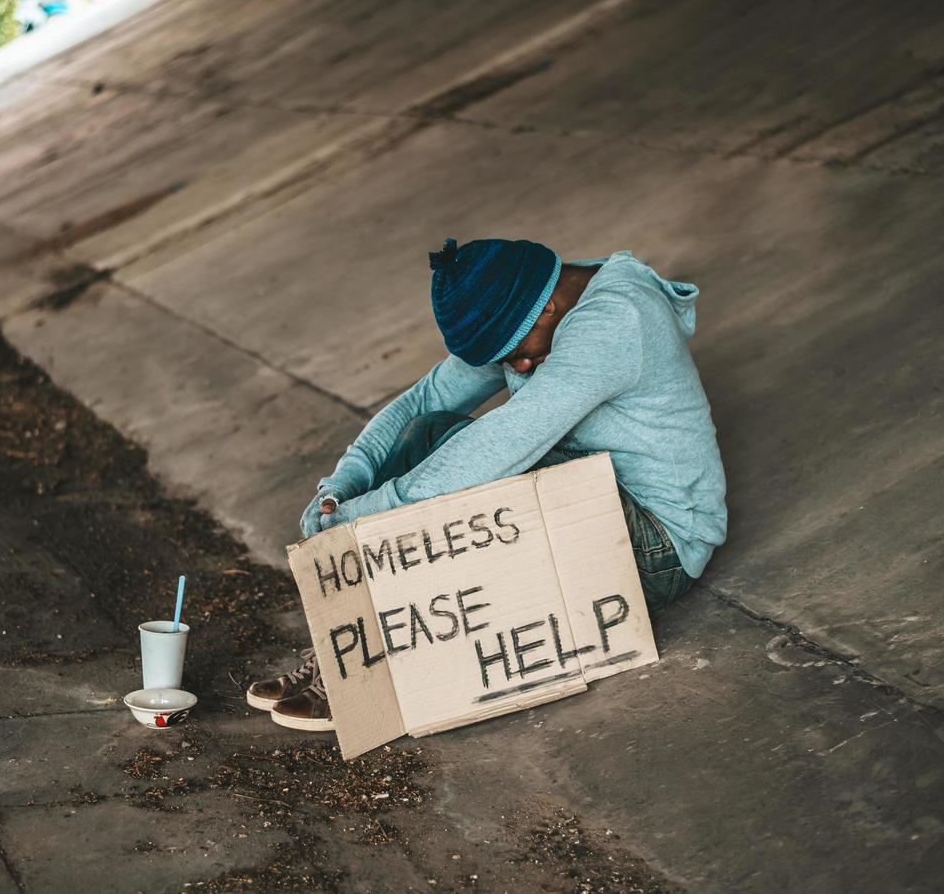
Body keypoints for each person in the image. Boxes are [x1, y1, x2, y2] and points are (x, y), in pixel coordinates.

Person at [249, 238, 728, 731]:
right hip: (590, 494)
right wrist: (342, 486)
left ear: (549, 306)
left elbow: (506, 439)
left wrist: (368, 513)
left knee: (463, 463)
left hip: (657, 545)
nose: (518, 366)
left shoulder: (616, 320)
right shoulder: (524, 304)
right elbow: (425, 400)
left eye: (519, 354)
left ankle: (378, 663)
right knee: (426, 432)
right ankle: (352, 645)